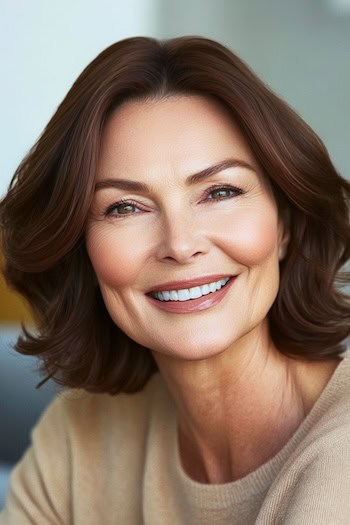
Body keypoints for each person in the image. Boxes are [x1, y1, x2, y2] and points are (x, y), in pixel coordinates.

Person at [0, 35, 349, 524]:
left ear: (284, 227)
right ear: (82, 250)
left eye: (220, 191)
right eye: (125, 207)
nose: (181, 244)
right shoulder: (79, 436)